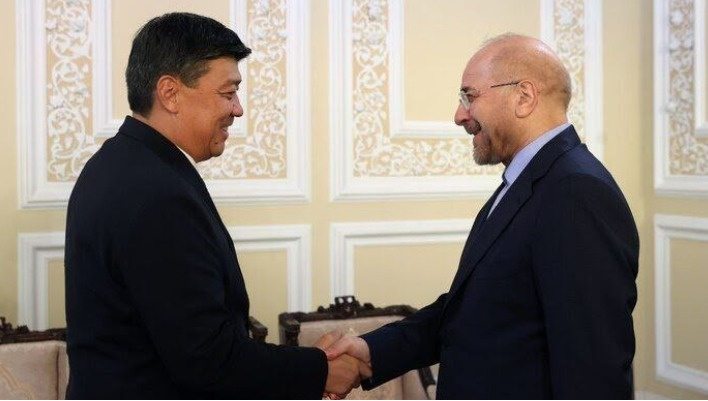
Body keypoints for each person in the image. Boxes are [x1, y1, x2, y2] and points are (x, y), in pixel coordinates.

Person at [64, 12, 368, 399]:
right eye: (227, 93)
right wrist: (319, 370)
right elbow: (208, 361)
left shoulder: (120, 164)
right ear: (170, 93)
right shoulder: (156, 193)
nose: (237, 109)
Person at [325, 33, 639, 399]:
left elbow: (594, 371)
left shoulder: (576, 192)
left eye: (469, 96)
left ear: (524, 97)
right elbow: (475, 312)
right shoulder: (529, 181)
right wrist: (372, 351)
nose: (459, 115)